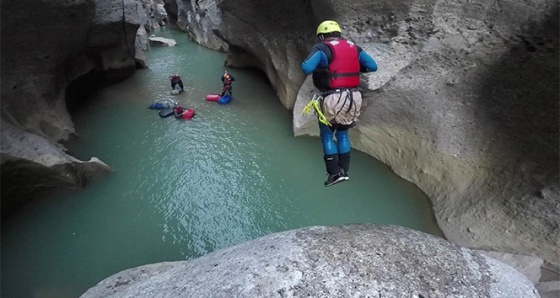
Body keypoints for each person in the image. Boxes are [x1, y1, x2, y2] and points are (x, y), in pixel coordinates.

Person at [301, 20, 378, 187]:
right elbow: (372, 66)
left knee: (327, 135)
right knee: (343, 134)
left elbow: (307, 68)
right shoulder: (353, 47)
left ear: (321, 36)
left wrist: (323, 65)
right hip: (354, 97)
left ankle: (334, 174)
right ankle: (344, 171)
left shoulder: (321, 48)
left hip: (333, 98)